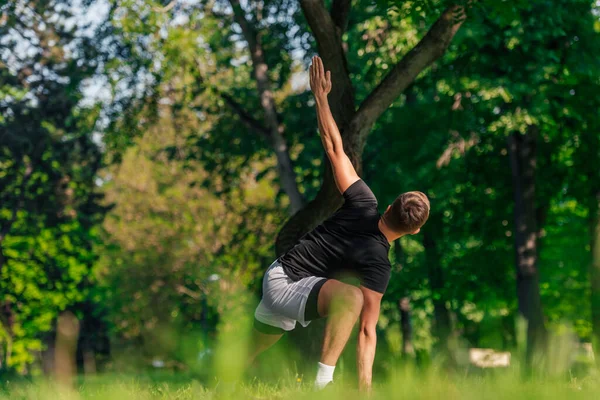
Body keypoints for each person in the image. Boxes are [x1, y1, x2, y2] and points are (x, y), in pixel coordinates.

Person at [249, 55, 430, 391]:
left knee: (249, 351)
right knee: (351, 298)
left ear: (389, 206)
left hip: (282, 277)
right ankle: (322, 384)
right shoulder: (379, 265)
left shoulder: (364, 201)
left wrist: (320, 96)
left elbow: (334, 147)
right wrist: (365, 389)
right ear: (414, 231)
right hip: (289, 283)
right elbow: (366, 331)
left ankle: (214, 373)